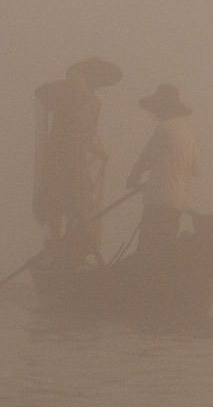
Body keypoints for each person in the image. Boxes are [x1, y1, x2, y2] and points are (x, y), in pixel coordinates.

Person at [31, 56, 122, 267]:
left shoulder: (94, 104)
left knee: (80, 208)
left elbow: (87, 136)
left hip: (78, 165)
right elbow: (63, 130)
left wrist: (99, 153)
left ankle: (75, 251)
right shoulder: (66, 102)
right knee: (56, 204)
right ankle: (56, 248)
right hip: (60, 162)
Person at [124, 84, 199, 250]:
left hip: (159, 200)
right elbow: (194, 170)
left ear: (164, 107)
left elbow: (146, 159)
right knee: (165, 247)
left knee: (147, 248)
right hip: (178, 202)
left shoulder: (163, 128)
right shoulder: (187, 133)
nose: (155, 113)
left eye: (157, 108)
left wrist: (132, 178)